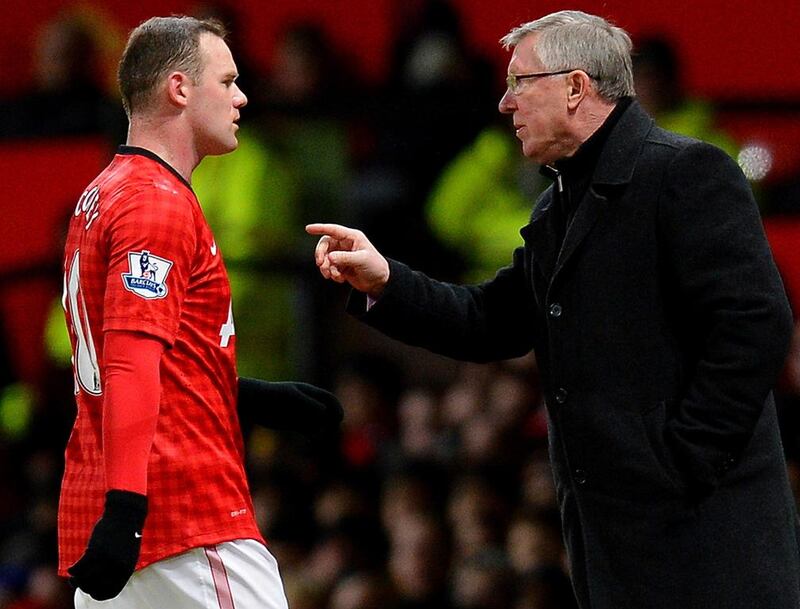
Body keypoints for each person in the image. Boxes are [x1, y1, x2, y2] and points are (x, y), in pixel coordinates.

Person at [307, 10, 799, 609]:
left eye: (520, 82)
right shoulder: (557, 205)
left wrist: (679, 462)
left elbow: (754, 324)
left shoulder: (687, 172)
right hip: (615, 547)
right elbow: (491, 321)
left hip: (703, 543)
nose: (505, 104)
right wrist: (387, 281)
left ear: (575, 86)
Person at [59, 15, 341, 608]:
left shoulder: (105, 192)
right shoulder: (156, 205)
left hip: (121, 523)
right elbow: (130, 363)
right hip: (181, 520)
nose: (242, 96)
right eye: (228, 80)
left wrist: (242, 393)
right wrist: (127, 510)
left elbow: (142, 352)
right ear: (180, 89)